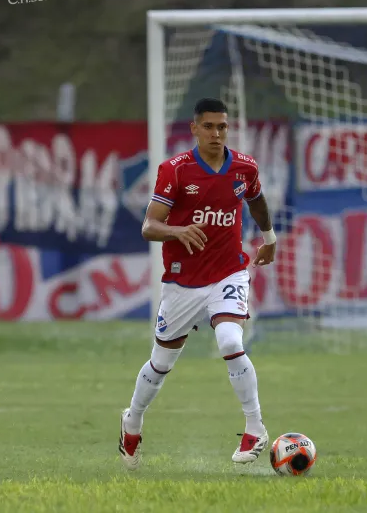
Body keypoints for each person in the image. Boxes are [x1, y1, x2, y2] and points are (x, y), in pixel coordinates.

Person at [119, 98, 277, 470]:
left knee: (230, 341)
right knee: (161, 363)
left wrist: (269, 237)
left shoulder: (244, 167)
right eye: (208, 126)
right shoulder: (175, 171)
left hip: (228, 273)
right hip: (183, 282)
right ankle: (132, 421)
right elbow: (149, 226)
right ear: (194, 129)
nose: (216, 133)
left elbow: (256, 200)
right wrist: (178, 230)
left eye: (222, 126)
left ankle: (255, 427)